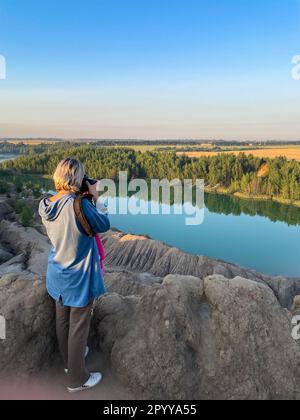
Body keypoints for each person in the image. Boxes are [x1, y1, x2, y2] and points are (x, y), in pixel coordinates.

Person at [39, 158, 110, 393]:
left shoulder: (46, 203)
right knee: (79, 326)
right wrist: (95, 196)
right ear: (76, 178)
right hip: (79, 277)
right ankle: (77, 380)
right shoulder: (80, 205)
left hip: (57, 274)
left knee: (62, 320)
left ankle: (70, 363)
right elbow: (103, 224)